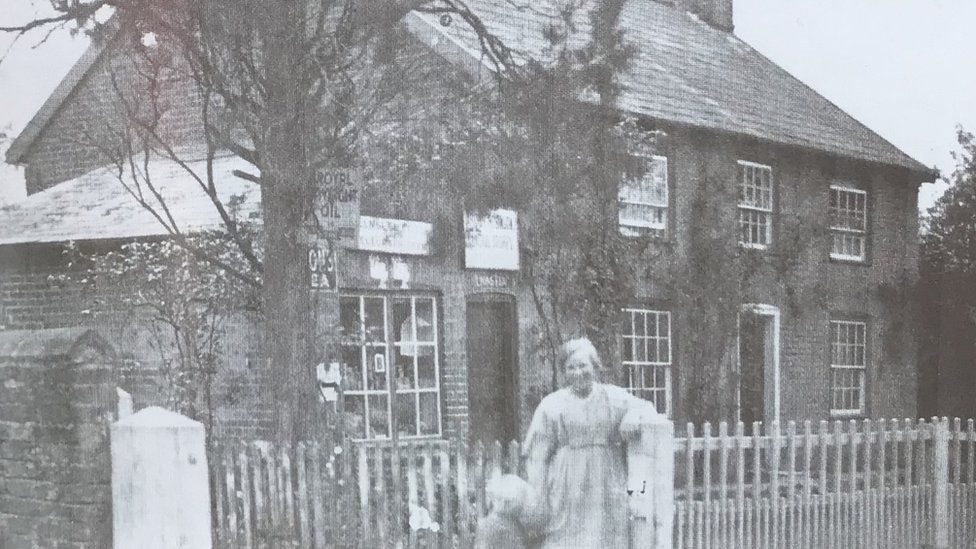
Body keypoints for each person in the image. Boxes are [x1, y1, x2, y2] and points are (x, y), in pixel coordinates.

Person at [523, 337, 658, 548]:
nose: (578, 373)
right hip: (567, 485)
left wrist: (635, 414)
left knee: (607, 536)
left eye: (583, 365)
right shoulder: (551, 406)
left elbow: (647, 407)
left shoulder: (611, 397)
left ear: (595, 367)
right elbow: (537, 458)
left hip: (605, 481)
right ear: (564, 372)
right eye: (571, 367)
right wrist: (539, 497)